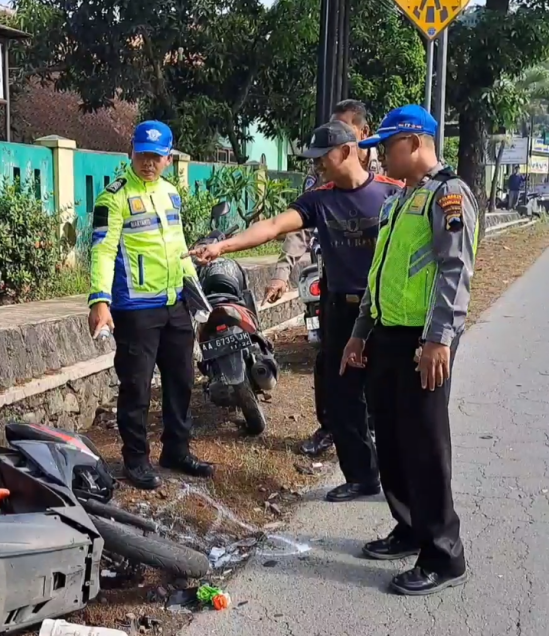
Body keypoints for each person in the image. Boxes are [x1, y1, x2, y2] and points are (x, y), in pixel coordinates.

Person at [190, 120, 402, 502]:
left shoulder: (393, 193)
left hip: (384, 312)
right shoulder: (319, 198)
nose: (318, 166)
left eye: (323, 158)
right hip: (338, 310)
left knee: (387, 398)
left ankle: (399, 481)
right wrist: (223, 247)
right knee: (343, 399)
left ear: (346, 151)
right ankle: (362, 478)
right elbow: (272, 226)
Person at [341, 105, 477, 596]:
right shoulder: (400, 201)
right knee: (393, 438)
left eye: (386, 147)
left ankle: (444, 554)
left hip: (425, 339)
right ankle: (408, 526)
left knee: (424, 444)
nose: (378, 157)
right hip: (387, 336)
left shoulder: (448, 196)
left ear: (416, 142)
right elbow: (380, 274)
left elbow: (454, 272)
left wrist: (439, 339)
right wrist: (360, 332)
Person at [88, 120, 215, 490]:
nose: (148, 163)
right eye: (143, 154)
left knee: (182, 381)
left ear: (168, 158)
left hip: (174, 304)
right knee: (137, 387)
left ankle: (176, 449)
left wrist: (196, 295)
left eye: (156, 157)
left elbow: (178, 248)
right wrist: (100, 300)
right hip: (134, 309)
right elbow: (102, 251)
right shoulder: (113, 197)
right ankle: (136, 459)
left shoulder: (170, 194)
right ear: (132, 151)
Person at [265, 100, 387, 457]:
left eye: (345, 131)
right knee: (330, 365)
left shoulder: (388, 180)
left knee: (381, 374)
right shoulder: (322, 178)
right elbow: (295, 226)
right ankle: (333, 429)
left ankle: (380, 441)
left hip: (378, 295)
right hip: (333, 282)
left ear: (361, 136)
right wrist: (281, 273)